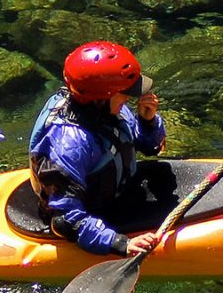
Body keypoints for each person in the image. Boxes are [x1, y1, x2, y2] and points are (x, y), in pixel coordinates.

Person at [26, 41, 173, 258]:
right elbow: (66, 220)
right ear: (102, 97)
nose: (130, 97)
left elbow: (148, 147)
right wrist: (121, 244)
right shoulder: (70, 145)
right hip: (90, 217)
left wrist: (147, 122)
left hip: (113, 192)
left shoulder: (108, 110)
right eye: (125, 93)